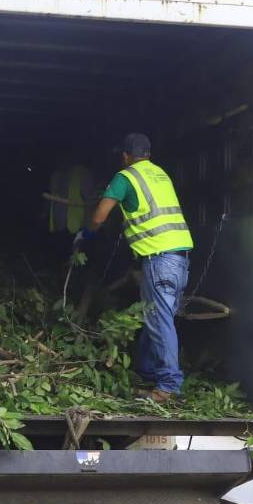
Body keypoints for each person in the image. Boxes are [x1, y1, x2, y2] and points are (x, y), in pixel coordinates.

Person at [77, 133, 194, 403]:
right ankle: (148, 372)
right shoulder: (161, 174)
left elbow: (99, 215)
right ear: (149, 154)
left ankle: (168, 386)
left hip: (159, 259)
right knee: (157, 318)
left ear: (125, 156)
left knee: (159, 320)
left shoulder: (125, 177)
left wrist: (87, 234)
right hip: (181, 259)